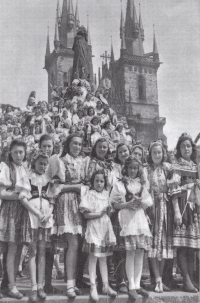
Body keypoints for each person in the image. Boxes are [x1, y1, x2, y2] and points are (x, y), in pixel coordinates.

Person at [46, 134, 90, 298]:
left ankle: (72, 282)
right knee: (72, 243)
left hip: (80, 204)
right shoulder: (60, 160)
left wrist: (79, 188)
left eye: (80, 144)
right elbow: (55, 187)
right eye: (74, 143)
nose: (77, 147)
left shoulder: (83, 162)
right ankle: (70, 286)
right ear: (68, 144)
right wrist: (77, 186)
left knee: (76, 244)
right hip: (66, 203)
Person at [0, 140, 44, 299]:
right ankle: (10, 287)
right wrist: (19, 197)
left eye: (21, 152)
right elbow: (2, 193)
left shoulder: (25, 170)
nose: (19, 155)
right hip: (10, 211)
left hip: (23, 212)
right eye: (16, 152)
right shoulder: (5, 167)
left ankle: (11, 284)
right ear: (10, 153)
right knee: (10, 249)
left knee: (18, 248)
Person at [110, 156, 153, 302]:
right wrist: (127, 204)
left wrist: (142, 202)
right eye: (130, 168)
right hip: (128, 221)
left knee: (140, 252)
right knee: (130, 253)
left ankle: (137, 283)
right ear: (126, 168)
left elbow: (149, 201)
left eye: (135, 168)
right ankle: (131, 286)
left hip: (140, 220)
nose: (133, 171)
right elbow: (114, 203)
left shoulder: (141, 185)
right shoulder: (120, 184)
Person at [21, 150, 55, 302]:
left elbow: (53, 200)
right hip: (32, 218)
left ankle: (41, 286)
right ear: (34, 162)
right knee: (33, 251)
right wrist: (36, 213)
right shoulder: (28, 178)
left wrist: (48, 215)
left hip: (45, 220)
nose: (43, 166)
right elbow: (23, 199)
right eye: (40, 163)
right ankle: (33, 286)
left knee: (42, 251)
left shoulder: (48, 179)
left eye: (45, 164)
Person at [80, 170, 117, 301]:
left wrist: (108, 212)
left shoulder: (107, 195)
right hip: (94, 228)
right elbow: (85, 215)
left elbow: (109, 213)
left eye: (102, 181)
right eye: (97, 181)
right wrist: (99, 214)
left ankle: (105, 285)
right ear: (92, 182)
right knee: (93, 257)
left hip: (105, 228)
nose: (99, 183)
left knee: (104, 258)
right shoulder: (90, 195)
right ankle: (93, 286)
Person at [169, 133, 200, 292]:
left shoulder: (195, 166)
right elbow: (173, 190)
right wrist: (176, 212)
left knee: (191, 246)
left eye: (189, 146)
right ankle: (186, 280)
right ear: (179, 149)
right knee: (182, 246)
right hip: (182, 207)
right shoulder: (176, 166)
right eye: (183, 146)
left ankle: (192, 279)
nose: (186, 149)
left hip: (194, 208)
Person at [147, 141, 175, 293]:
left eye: (159, 152)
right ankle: (157, 279)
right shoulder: (147, 170)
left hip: (165, 208)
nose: (157, 155)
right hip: (152, 207)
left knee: (163, 243)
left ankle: (160, 280)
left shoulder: (168, 168)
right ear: (150, 155)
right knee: (152, 243)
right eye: (154, 153)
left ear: (163, 153)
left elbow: (174, 186)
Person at [110, 143, 131, 293]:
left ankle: (132, 279)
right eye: (120, 152)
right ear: (117, 154)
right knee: (120, 247)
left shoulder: (135, 168)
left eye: (125, 151)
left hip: (133, 214)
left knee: (132, 247)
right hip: (119, 211)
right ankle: (121, 279)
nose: (123, 154)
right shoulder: (114, 170)